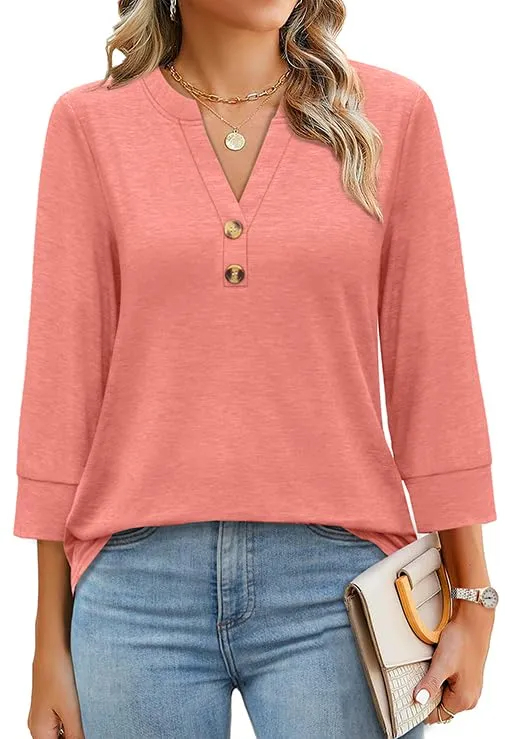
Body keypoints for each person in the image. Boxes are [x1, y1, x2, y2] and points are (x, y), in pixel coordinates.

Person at [14, 1, 498, 737]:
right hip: (134, 591)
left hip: (341, 588)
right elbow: (63, 382)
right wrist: (47, 639)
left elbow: (434, 363)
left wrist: (473, 597)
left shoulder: (392, 116)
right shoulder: (90, 124)